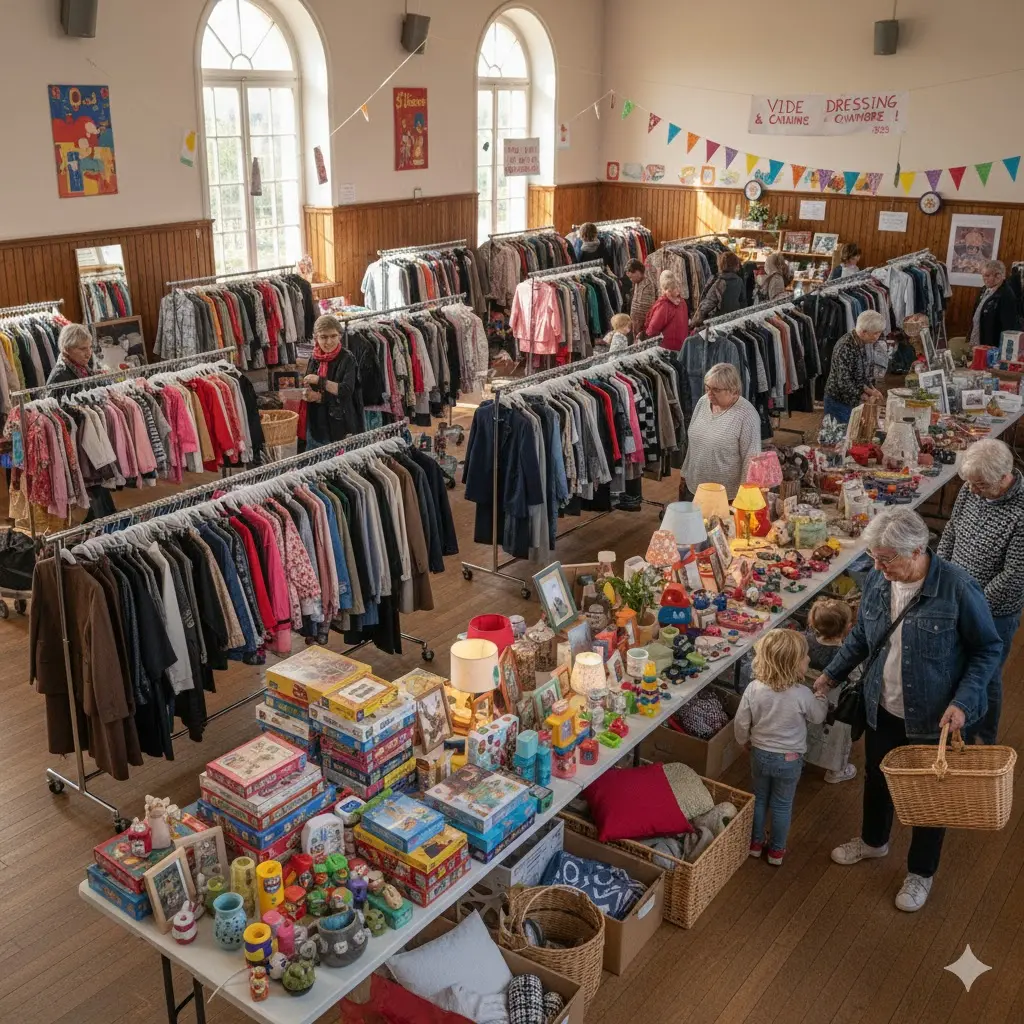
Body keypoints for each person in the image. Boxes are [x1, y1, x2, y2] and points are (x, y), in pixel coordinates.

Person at [812, 508, 1002, 912]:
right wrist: (831, 674)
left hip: (936, 715)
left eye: (886, 560)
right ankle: (873, 841)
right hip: (883, 705)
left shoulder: (958, 589)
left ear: (917, 550)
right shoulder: (880, 585)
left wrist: (963, 703)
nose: (878, 569)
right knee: (877, 778)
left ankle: (920, 873)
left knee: (932, 797)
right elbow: (863, 637)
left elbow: (988, 650)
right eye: (875, 559)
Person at [937, 438, 1024, 744]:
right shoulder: (970, 488)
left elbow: (1014, 574)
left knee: (985, 675)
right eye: (970, 484)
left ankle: (984, 741)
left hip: (995, 610)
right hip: (957, 594)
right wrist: (939, 573)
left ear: (1005, 476)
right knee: (960, 665)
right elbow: (951, 531)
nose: (973, 491)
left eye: (981, 485)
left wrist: (972, 603)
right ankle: (961, 728)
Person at [734, 629, 827, 866]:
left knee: (760, 798)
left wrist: (743, 741)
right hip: (790, 759)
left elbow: (741, 722)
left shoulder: (754, 688)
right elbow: (817, 717)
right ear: (793, 665)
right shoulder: (803, 694)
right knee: (782, 805)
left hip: (760, 754)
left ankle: (754, 844)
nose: (808, 659)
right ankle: (776, 851)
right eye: (805, 656)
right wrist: (821, 698)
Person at [45, 323, 117, 520]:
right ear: (67, 349)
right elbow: (59, 413)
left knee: (96, 481)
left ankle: (103, 519)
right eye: (82, 349)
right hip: (75, 438)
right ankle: (105, 522)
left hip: (85, 433)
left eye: (90, 347)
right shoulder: (61, 376)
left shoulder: (79, 369)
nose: (88, 353)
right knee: (93, 481)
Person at [679, 362, 761, 500]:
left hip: (725, 495)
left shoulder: (747, 415)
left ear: (733, 391)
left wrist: (744, 498)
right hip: (694, 486)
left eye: (716, 390)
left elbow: (751, 460)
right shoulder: (703, 402)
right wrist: (684, 473)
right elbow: (693, 442)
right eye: (707, 388)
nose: (709, 394)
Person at [804, 598, 858, 783]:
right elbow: (856, 678)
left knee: (805, 728)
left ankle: (802, 757)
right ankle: (836, 772)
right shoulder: (845, 654)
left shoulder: (805, 642)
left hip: (806, 698)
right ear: (848, 628)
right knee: (838, 737)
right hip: (836, 707)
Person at [302, 313, 363, 447]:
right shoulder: (314, 358)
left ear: (340, 336)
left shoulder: (347, 358)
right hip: (317, 423)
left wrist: (320, 380)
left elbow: (346, 390)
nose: (329, 342)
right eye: (323, 337)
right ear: (315, 338)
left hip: (341, 423)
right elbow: (311, 388)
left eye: (333, 336)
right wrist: (311, 396)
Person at [822, 309, 885, 423]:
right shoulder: (845, 347)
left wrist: (872, 390)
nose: (877, 337)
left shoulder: (861, 342)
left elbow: (860, 373)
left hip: (850, 401)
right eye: (875, 333)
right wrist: (865, 397)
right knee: (839, 437)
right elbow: (844, 382)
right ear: (863, 332)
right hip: (838, 402)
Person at [970, 260, 1022, 349]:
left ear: (998, 276)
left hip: (993, 344)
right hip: (980, 339)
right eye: (983, 275)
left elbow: (1008, 325)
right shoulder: (985, 289)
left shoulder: (1006, 295)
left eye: (986, 276)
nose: (983, 278)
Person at [691, 251, 747, 327]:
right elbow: (743, 303)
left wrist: (695, 323)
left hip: (716, 322)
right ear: (736, 265)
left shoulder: (717, 281)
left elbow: (707, 304)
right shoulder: (739, 280)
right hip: (732, 320)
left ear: (721, 264)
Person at [644, 270, 689, 351]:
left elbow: (652, 330)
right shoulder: (682, 301)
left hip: (666, 349)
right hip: (682, 346)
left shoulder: (663, 305)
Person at [623, 258, 645, 336]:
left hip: (643, 329)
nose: (631, 280)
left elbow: (647, 308)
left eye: (631, 277)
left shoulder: (648, 284)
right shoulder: (637, 282)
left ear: (637, 272)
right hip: (638, 328)